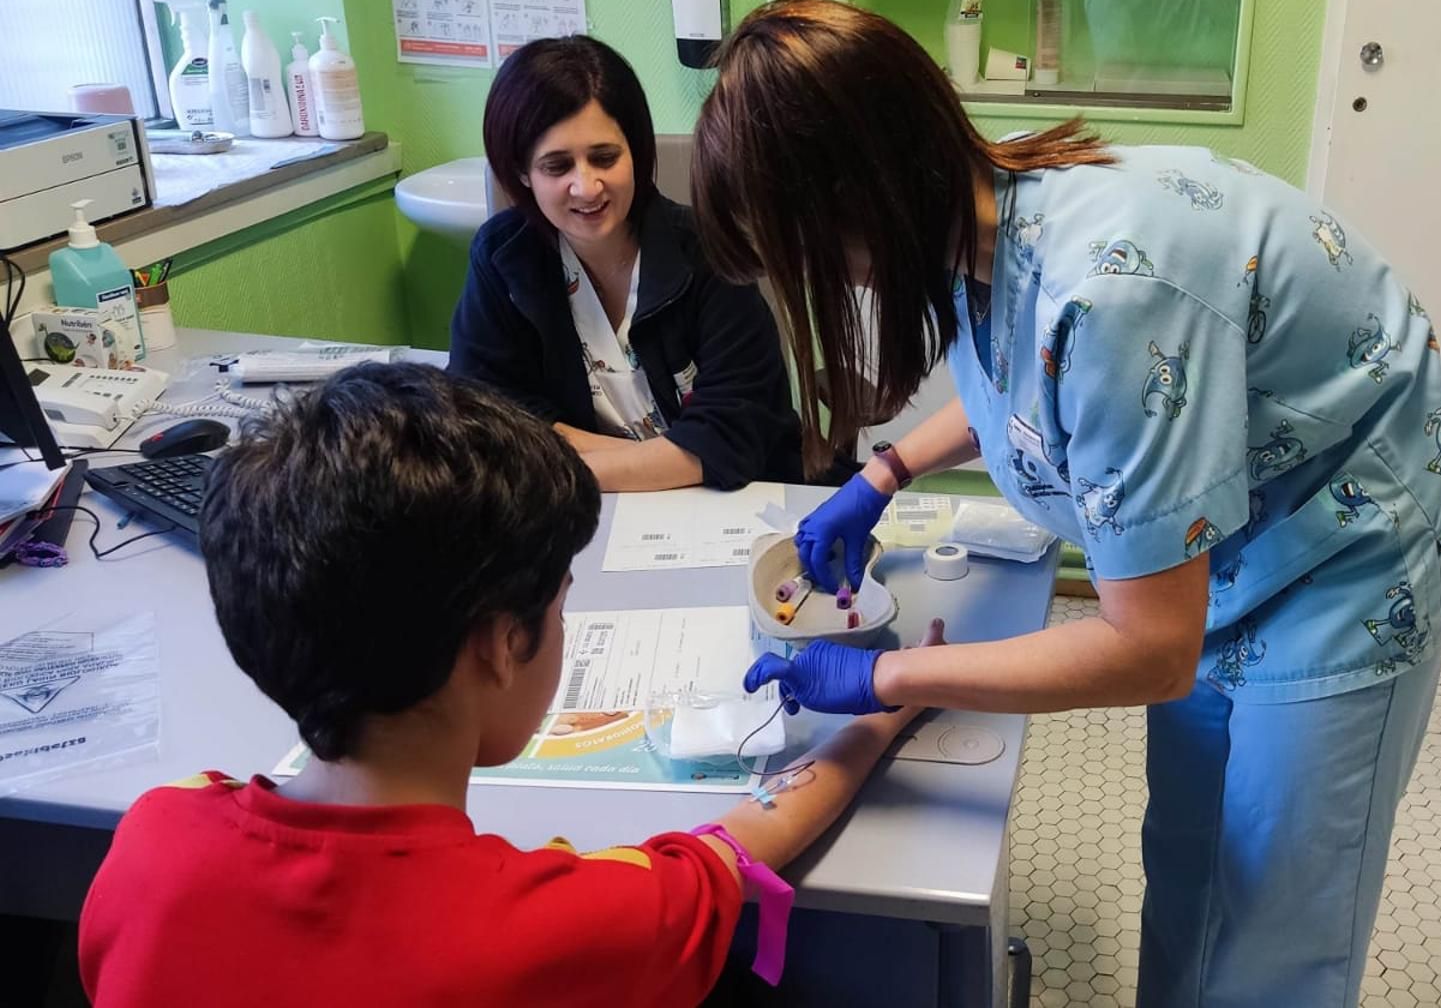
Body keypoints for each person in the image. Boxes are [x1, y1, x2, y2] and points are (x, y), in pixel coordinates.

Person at [695, 0, 1441, 1008]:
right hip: (1233, 535)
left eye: (816, 257)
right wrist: (883, 476)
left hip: (1355, 545)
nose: (840, 283)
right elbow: (1036, 389)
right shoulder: (980, 218)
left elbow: (1147, 649)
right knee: (1192, 853)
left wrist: (887, 677)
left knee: (1274, 916)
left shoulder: (1112, 289)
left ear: (858, 194)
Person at [77, 363, 934, 1008]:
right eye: (560, 605)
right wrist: (889, 700)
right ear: (499, 646)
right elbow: (743, 841)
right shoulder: (574, 923)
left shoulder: (152, 847)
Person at [450, 35, 806, 492]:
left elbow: (732, 440)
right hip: (592, 516)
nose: (587, 186)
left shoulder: (709, 251)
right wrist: (668, 456)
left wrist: (551, 463)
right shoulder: (503, 256)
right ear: (522, 172)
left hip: (736, 505)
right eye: (557, 167)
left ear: (635, 152)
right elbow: (481, 417)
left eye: (604, 157)